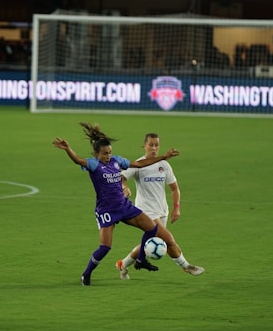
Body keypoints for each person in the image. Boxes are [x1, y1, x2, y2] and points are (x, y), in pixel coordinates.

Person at [53, 122, 183, 286]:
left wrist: (164, 157)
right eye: (105, 154)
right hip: (107, 210)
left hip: (124, 206)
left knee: (152, 228)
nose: (108, 156)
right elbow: (78, 160)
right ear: (96, 153)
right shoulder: (94, 165)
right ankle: (86, 274)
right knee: (105, 247)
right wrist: (68, 149)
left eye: (109, 153)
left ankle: (140, 260)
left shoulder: (117, 161)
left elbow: (140, 164)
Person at [116, 133, 204, 279]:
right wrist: (124, 186)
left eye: (156, 145)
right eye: (151, 144)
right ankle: (186, 266)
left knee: (152, 243)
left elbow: (174, 188)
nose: (154, 148)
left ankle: (123, 264)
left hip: (162, 210)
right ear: (144, 146)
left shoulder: (164, 165)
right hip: (146, 211)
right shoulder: (139, 164)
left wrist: (176, 207)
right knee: (168, 239)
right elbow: (121, 178)